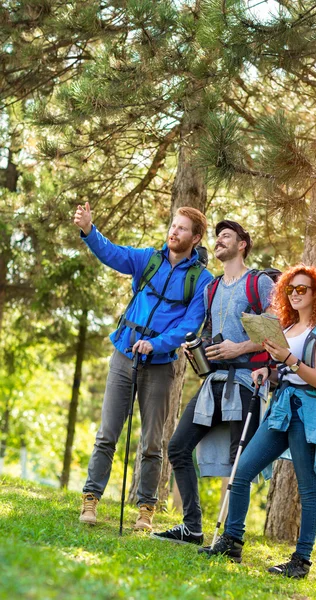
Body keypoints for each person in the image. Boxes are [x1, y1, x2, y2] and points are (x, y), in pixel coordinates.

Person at [73, 202, 213, 531]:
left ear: (195, 238)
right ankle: (90, 499)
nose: (173, 231)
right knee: (107, 434)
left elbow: (191, 325)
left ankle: (146, 510)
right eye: (173, 225)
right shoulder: (148, 259)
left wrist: (157, 343)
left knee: (152, 443)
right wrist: (88, 231)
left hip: (161, 365)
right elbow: (114, 254)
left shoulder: (202, 280)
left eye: (181, 228)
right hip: (124, 355)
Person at [199, 264, 316, 578]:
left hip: (306, 413)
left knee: (308, 490)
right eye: (291, 289)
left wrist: (288, 360)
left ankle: (301, 561)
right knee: (242, 471)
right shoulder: (288, 329)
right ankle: (232, 541)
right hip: (280, 408)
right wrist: (269, 371)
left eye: (302, 289)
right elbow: (287, 371)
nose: (295, 294)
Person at [151, 220, 275, 546]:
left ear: (242, 244)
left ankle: (232, 540)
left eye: (227, 236)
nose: (219, 241)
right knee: (178, 448)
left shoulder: (259, 283)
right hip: (214, 381)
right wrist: (195, 350)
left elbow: (277, 330)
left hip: (247, 381)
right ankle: (192, 528)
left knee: (240, 463)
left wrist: (241, 347)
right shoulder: (212, 288)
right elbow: (207, 333)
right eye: (218, 237)